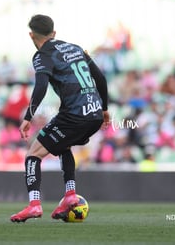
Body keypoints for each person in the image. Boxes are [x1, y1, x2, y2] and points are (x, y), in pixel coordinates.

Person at [10, 15, 110, 222]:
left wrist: (28, 116)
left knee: (33, 155)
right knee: (63, 146)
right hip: (94, 115)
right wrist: (105, 109)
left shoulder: (42, 56)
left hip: (73, 115)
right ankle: (70, 195)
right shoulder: (75, 48)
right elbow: (100, 78)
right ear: (53, 33)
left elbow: (40, 87)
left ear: (31, 35)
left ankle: (34, 205)